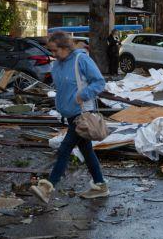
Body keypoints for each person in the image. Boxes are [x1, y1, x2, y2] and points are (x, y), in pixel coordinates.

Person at [30, 32, 108, 203]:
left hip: (82, 115)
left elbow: (99, 82)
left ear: (65, 47)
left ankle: (48, 187)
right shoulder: (57, 65)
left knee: (65, 148)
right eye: (50, 50)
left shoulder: (81, 60)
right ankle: (100, 185)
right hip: (69, 115)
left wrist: (83, 94)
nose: (52, 54)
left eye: (55, 50)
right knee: (87, 152)